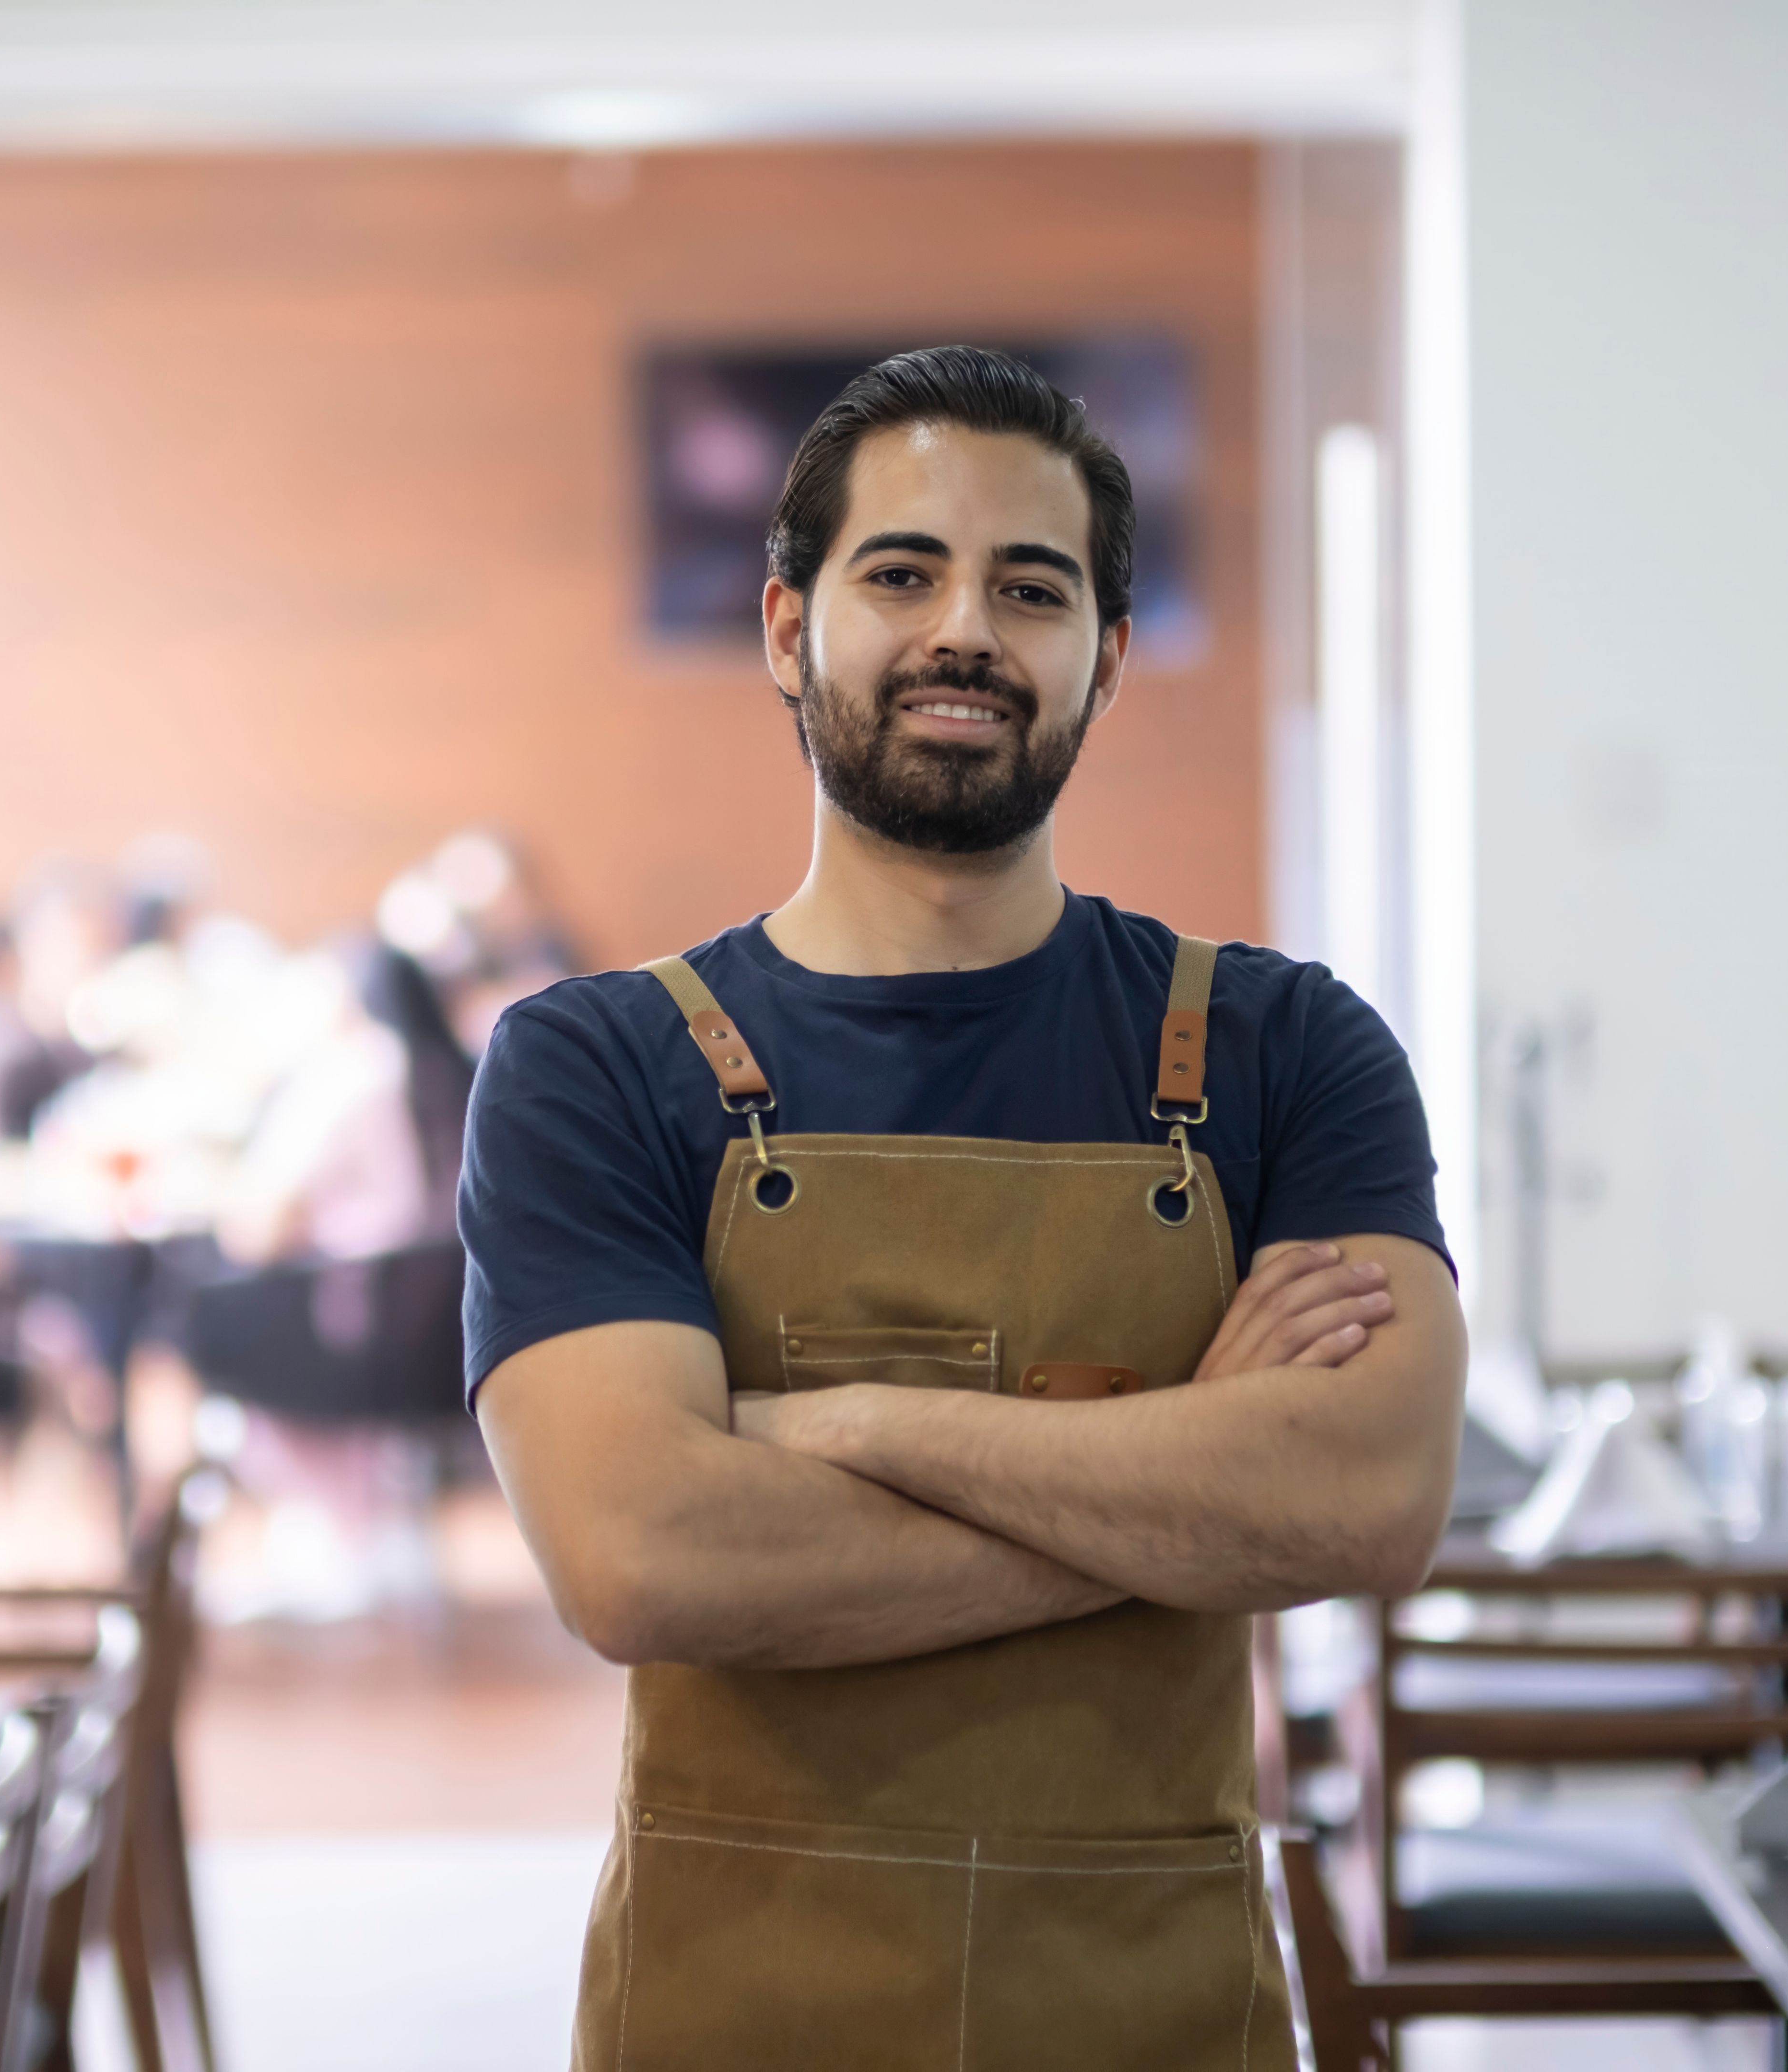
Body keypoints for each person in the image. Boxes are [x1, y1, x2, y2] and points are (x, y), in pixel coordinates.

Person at [462, 346, 1466, 2069]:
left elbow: (1366, 1497)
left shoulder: (1286, 1050)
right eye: (903, 572)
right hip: (732, 2016)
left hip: (1156, 2010)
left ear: (1106, 655)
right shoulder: (597, 1065)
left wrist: (841, 1421)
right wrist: (1189, 1472)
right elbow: (640, 1554)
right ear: (788, 629)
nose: (967, 633)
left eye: (1032, 585)